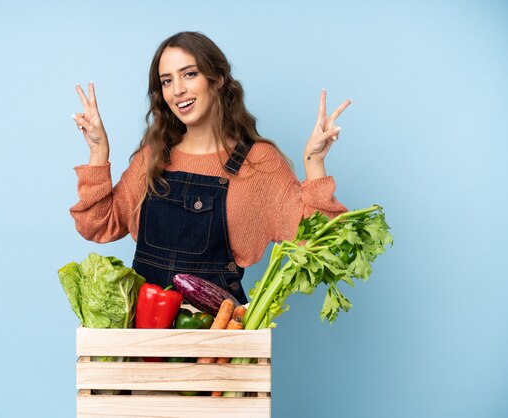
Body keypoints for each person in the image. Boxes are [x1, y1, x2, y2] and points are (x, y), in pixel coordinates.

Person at [69, 31, 350, 303]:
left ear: (216, 79)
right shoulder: (153, 157)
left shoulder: (258, 162)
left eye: (189, 74)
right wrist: (98, 151)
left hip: (221, 338)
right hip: (147, 339)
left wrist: (314, 163)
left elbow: (321, 244)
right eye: (166, 81)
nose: (177, 90)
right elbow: (97, 224)